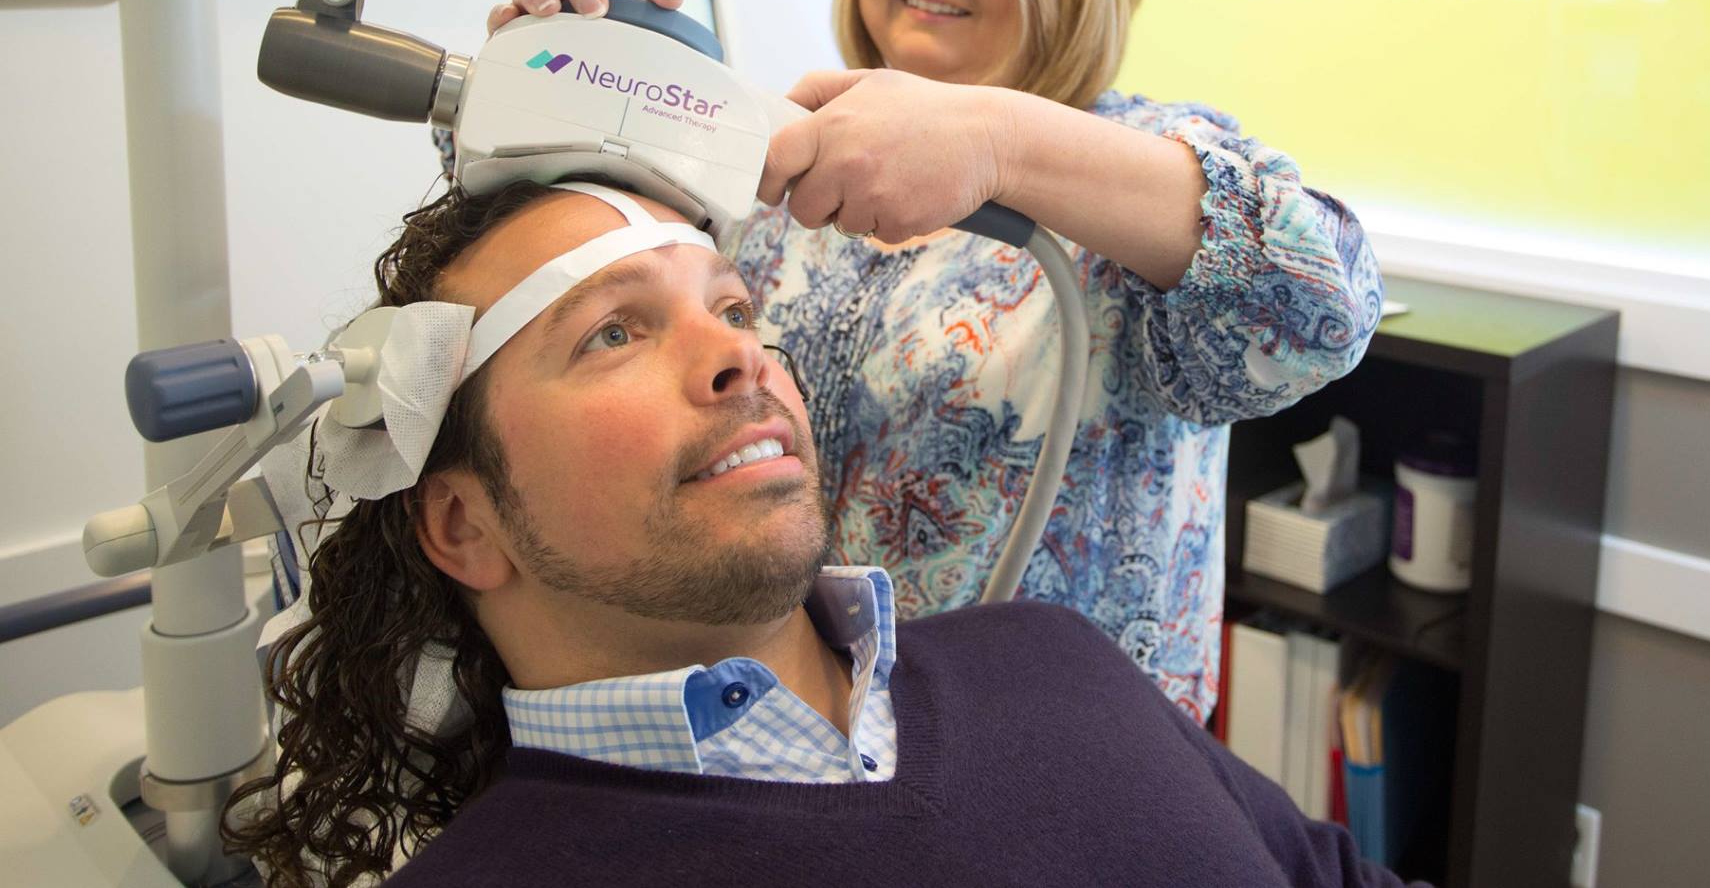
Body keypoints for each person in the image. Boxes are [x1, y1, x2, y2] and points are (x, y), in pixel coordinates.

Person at [491, 0, 1383, 719]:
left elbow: (1320, 304)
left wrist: (997, 139)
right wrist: (555, 99)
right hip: (803, 743)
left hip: (1055, 778)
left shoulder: (1141, 169)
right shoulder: (800, 165)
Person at [224, 180, 1418, 888]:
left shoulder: (1053, 656)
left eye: (734, 307)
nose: (742, 353)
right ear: (464, 523)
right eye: (613, 335)